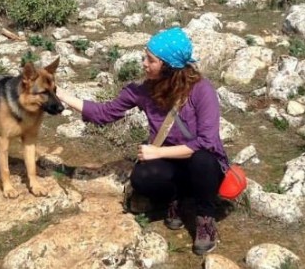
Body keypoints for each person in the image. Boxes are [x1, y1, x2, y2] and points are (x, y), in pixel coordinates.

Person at [56, 27, 228, 255]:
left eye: (151, 60)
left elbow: (206, 142)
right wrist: (58, 92)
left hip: (202, 163)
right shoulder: (143, 90)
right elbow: (103, 113)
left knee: (203, 161)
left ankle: (205, 216)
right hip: (172, 164)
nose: (144, 63)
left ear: (168, 66)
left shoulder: (201, 90)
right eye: (145, 57)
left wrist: (158, 153)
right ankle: (176, 199)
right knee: (141, 177)